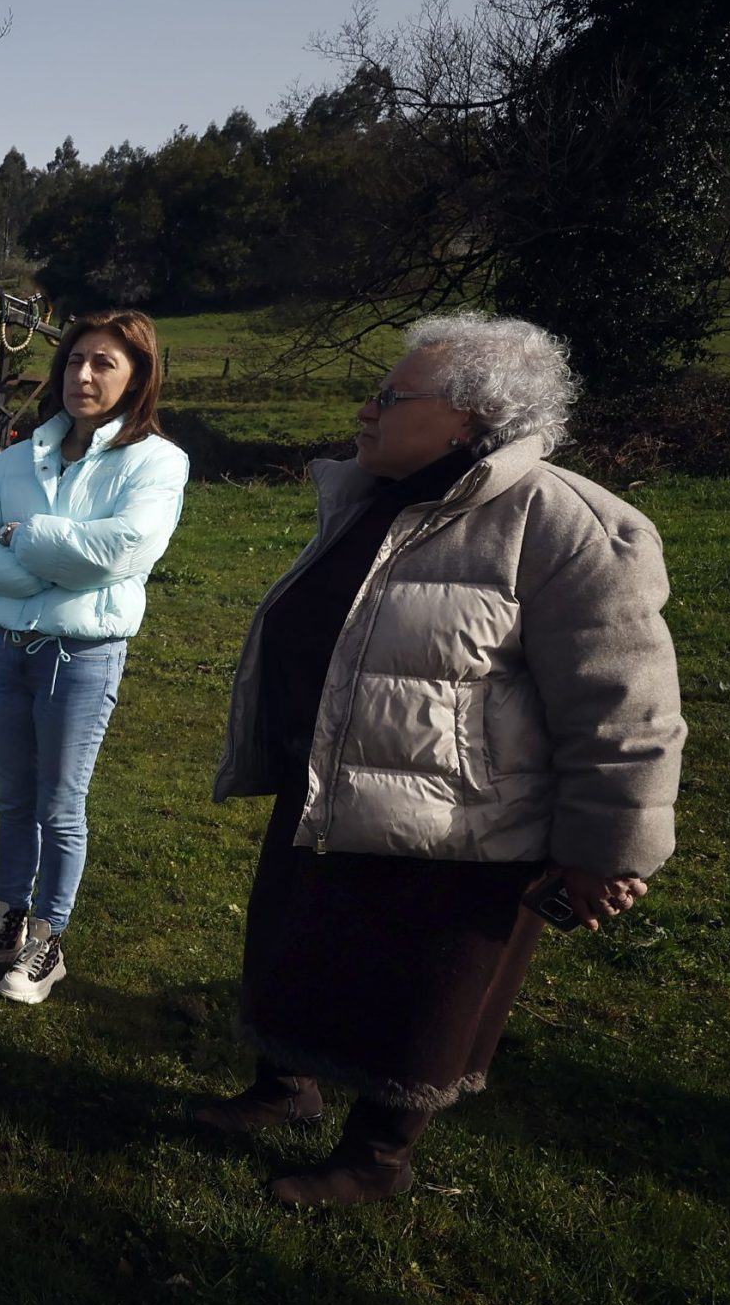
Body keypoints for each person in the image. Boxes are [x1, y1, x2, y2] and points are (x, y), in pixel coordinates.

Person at [197, 313, 683, 1205]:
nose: (368, 408)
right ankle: (285, 1090)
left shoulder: (566, 524)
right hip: (332, 784)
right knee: (298, 948)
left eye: (392, 395)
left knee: (425, 996)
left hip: (464, 824)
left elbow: (624, 705)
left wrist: (607, 849)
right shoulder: (371, 500)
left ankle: (377, 1160)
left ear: (469, 418)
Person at [0, 308, 191, 1003]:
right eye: (76, 360)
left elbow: (122, 550)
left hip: (81, 656)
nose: (84, 375)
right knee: (14, 798)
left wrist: (24, 535)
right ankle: (9, 923)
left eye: (104, 363)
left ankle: (49, 941)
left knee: (61, 805)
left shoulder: (157, 462)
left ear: (138, 376)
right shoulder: (19, 457)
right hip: (7, 649)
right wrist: (51, 559)